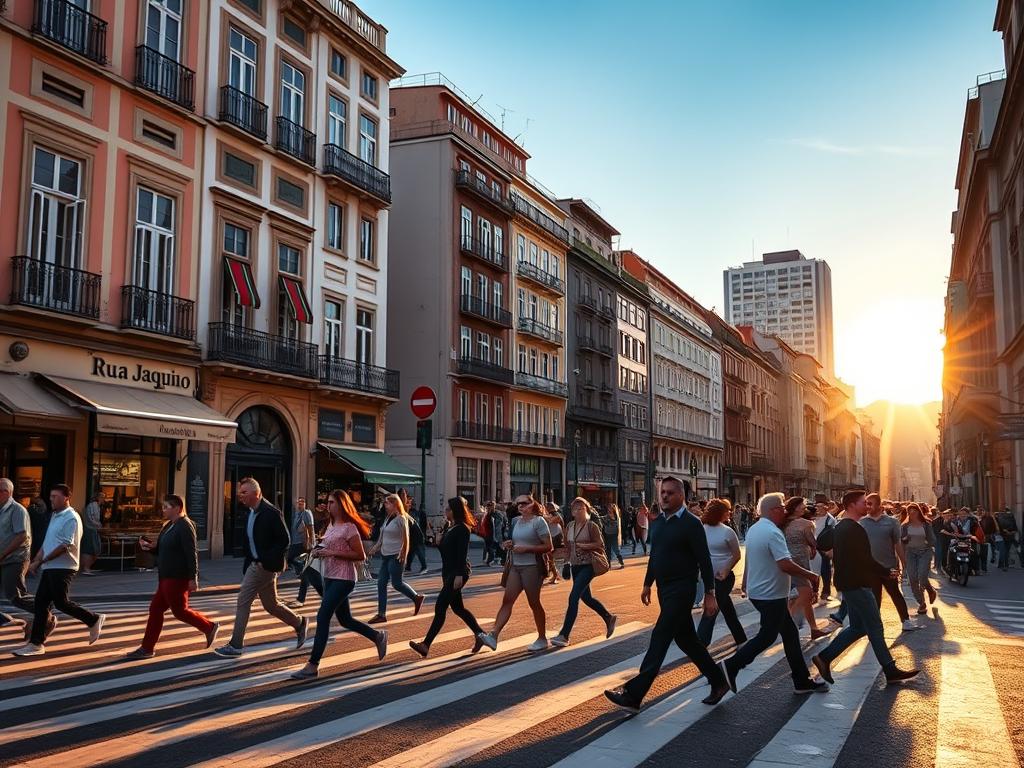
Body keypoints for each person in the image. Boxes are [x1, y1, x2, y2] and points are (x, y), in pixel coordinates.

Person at [604, 477, 730, 713]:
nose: (664, 496)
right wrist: (647, 583)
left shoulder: (692, 524)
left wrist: (711, 593)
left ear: (681, 496)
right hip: (665, 588)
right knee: (687, 641)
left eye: (670, 493)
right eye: (662, 492)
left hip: (683, 589)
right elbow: (656, 555)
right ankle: (718, 680)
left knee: (660, 636)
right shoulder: (659, 522)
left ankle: (634, 694)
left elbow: (704, 559)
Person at [719, 493, 827, 696]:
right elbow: (784, 563)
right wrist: (811, 575)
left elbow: (752, 558)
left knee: (790, 634)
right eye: (782, 508)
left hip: (761, 590)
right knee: (767, 636)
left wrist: (745, 583)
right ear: (773, 510)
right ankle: (731, 666)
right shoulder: (772, 532)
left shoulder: (755, 529)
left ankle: (801, 680)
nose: (785, 511)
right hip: (771, 594)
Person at [811, 491, 920, 686]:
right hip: (858, 584)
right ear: (852, 505)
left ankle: (824, 658)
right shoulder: (855, 529)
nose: (867, 506)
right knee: (875, 627)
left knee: (858, 627)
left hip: (847, 583)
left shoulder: (842, 526)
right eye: (863, 503)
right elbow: (866, 559)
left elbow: (821, 542)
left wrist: (837, 517)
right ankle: (890, 669)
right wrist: (887, 571)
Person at [292, 490, 387, 678]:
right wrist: (320, 550)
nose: (329, 506)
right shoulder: (331, 525)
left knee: (323, 616)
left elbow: (360, 555)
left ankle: (313, 664)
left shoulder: (349, 527)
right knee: (345, 620)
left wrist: (332, 553)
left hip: (344, 579)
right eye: (328, 502)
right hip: (329, 576)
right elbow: (330, 547)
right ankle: (378, 636)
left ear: (342, 504)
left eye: (333, 502)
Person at [215, 478, 308, 658]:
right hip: (256, 564)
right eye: (240, 492)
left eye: (244, 492)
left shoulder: (271, 512)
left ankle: (235, 645)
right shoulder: (250, 512)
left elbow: (284, 540)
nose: (240, 496)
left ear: (255, 493)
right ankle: (299, 623)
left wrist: (265, 560)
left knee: (243, 600)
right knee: (271, 605)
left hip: (263, 566)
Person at [13, 484, 106, 657]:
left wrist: (42, 562)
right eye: (51, 496)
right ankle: (36, 644)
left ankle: (93, 618)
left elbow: (65, 546)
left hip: (64, 567)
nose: (51, 499)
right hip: (51, 567)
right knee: (41, 603)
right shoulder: (55, 516)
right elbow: (48, 543)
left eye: (55, 496)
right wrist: (37, 560)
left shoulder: (71, 517)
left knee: (61, 602)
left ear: (66, 497)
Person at [125, 495, 218, 659]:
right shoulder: (168, 525)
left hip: (177, 577)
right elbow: (160, 548)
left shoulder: (185, 526)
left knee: (180, 612)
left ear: (177, 508)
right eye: (164, 506)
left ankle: (209, 627)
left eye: (166, 507)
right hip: (165, 576)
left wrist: (193, 577)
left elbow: (191, 553)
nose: (163, 510)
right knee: (156, 609)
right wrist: (148, 547)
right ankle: (147, 648)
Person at [409, 497, 489, 658]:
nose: (445, 511)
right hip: (448, 572)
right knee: (458, 608)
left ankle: (426, 645)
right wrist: (438, 542)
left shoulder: (462, 529)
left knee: (440, 607)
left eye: (448, 509)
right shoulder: (449, 527)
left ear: (455, 511)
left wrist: (459, 575)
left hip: (458, 572)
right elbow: (446, 552)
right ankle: (480, 635)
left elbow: (461, 554)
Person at [479, 496, 553, 652]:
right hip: (515, 565)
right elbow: (515, 541)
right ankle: (493, 635)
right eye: (518, 503)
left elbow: (548, 546)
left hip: (532, 566)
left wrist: (527, 549)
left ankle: (542, 638)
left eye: (524, 503)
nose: (520, 506)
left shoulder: (539, 522)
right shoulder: (515, 521)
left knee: (534, 603)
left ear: (532, 504)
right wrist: (509, 544)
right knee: (507, 600)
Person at [551, 498, 616, 647]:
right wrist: (566, 563)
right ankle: (608, 617)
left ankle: (564, 635)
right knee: (586, 597)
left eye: (581, 508)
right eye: (575, 509)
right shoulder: (570, 526)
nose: (578, 511)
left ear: (587, 510)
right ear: (572, 512)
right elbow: (567, 548)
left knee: (573, 597)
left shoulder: (591, 526)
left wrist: (585, 546)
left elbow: (600, 544)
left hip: (589, 565)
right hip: (575, 566)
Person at [862, 493, 917, 632]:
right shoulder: (862, 522)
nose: (867, 506)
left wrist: (904, 563)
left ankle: (906, 621)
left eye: (870, 503)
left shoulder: (892, 522)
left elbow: (897, 544)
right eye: (866, 503)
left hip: (889, 566)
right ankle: (876, 625)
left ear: (879, 505)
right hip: (870, 568)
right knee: (874, 597)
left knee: (895, 593)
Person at [696, 498, 747, 647]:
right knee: (726, 608)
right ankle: (741, 638)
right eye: (727, 510)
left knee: (712, 607)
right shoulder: (701, 528)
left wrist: (725, 570)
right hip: (707, 577)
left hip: (723, 577)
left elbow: (736, 555)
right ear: (719, 513)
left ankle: (700, 642)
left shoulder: (728, 531)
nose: (729, 513)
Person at [367, 494, 425, 624]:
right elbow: (381, 538)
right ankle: (381, 614)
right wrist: (372, 550)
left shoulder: (401, 518)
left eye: (387, 503)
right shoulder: (387, 518)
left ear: (395, 504)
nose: (385, 506)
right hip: (385, 556)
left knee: (397, 583)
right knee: (381, 583)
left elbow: (406, 538)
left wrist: (403, 554)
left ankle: (416, 597)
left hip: (396, 556)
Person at [783, 497, 830, 640]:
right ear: (796, 507)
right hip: (800, 565)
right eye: (803, 505)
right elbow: (813, 542)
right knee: (807, 595)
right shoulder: (806, 524)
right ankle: (789, 623)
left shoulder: (782, 523)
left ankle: (814, 629)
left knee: (803, 598)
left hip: (785, 563)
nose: (805, 507)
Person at [0, 478, 35, 628]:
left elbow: (22, 536)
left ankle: (44, 610)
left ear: (6, 492)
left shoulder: (17, 510)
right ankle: (4, 619)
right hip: (3, 558)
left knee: (15, 595)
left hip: (15, 559)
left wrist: (3, 554)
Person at [901, 503, 936, 616]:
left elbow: (932, 539)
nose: (912, 514)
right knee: (912, 578)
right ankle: (921, 603)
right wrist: (906, 539)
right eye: (909, 512)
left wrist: (927, 543)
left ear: (918, 512)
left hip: (924, 552)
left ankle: (930, 591)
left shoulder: (926, 524)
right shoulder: (905, 526)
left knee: (922, 576)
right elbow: (902, 540)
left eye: (914, 511)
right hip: (911, 552)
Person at [287, 497, 321, 609]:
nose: (300, 504)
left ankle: (301, 598)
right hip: (296, 542)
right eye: (298, 502)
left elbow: (310, 528)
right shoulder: (297, 513)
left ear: (305, 504)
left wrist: (310, 544)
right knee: (308, 573)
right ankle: (325, 596)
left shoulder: (307, 513)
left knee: (288, 559)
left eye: (302, 502)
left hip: (303, 544)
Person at [812, 501, 837, 603]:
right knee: (813, 571)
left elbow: (833, 533)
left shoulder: (830, 519)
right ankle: (814, 593)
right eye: (817, 506)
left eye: (820, 507)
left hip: (823, 548)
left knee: (825, 571)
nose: (818, 508)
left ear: (825, 508)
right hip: (812, 547)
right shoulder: (812, 518)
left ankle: (825, 593)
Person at [80, 491, 104, 575]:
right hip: (90, 529)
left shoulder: (97, 506)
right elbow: (92, 519)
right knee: (90, 549)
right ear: (97, 498)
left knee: (94, 549)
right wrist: (99, 526)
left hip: (93, 529)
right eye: (102, 497)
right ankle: (86, 568)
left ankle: (88, 567)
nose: (103, 499)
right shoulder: (93, 505)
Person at [543, 502, 564, 585]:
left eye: (546, 507)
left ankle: (555, 575)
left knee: (549, 557)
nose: (545, 508)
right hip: (553, 537)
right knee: (548, 557)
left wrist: (544, 517)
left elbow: (555, 520)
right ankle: (554, 574)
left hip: (555, 538)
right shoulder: (551, 514)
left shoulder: (555, 514)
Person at [404, 505, 428, 575]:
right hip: (414, 538)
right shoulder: (410, 517)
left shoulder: (408, 518)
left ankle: (424, 567)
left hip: (417, 538)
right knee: (411, 554)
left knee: (419, 553)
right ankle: (408, 568)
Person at [602, 504, 624, 569]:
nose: (609, 509)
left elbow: (616, 523)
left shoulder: (616, 516)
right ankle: (608, 564)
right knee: (608, 549)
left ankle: (621, 562)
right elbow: (601, 520)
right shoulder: (606, 516)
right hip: (607, 534)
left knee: (615, 549)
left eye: (611, 508)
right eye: (608, 508)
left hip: (614, 535)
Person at [478, 502, 496, 566]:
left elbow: (492, 527)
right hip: (486, 534)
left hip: (489, 534)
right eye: (486, 507)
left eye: (488, 507)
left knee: (489, 548)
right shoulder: (486, 515)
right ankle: (487, 560)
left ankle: (490, 560)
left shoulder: (491, 515)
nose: (487, 508)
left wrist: (493, 535)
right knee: (487, 547)